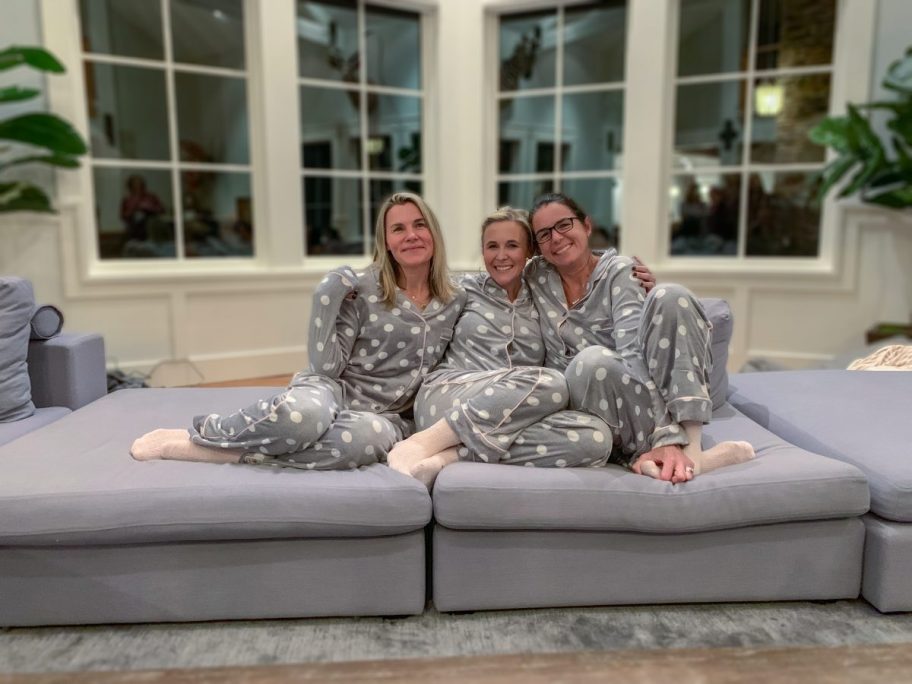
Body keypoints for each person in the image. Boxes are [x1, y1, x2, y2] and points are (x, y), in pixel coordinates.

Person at [131, 192, 466, 469]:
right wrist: (325, 296)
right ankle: (207, 433)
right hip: (333, 388)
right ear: (387, 243)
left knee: (362, 443)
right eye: (399, 229)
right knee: (302, 418)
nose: (411, 235)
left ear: (434, 234)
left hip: (390, 416)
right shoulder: (363, 289)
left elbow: (500, 279)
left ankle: (219, 453)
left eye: (420, 225)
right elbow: (326, 368)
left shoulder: (456, 298)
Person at [526, 192, 754, 483]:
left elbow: (633, 352)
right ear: (537, 246)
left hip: (632, 389)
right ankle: (682, 460)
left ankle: (690, 451)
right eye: (544, 234)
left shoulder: (619, 270)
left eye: (564, 225)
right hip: (585, 404)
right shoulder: (535, 276)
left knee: (671, 296)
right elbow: (497, 265)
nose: (556, 237)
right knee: (590, 363)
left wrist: (666, 435)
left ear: (586, 226)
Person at [387, 207, 614, 487]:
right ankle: (424, 442)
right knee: (552, 383)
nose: (501, 256)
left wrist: (624, 270)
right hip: (448, 396)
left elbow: (585, 279)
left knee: (597, 438)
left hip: (513, 410)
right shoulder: (461, 289)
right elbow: (409, 295)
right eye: (491, 246)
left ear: (529, 251)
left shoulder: (544, 295)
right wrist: (358, 291)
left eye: (512, 245)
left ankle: (451, 455)